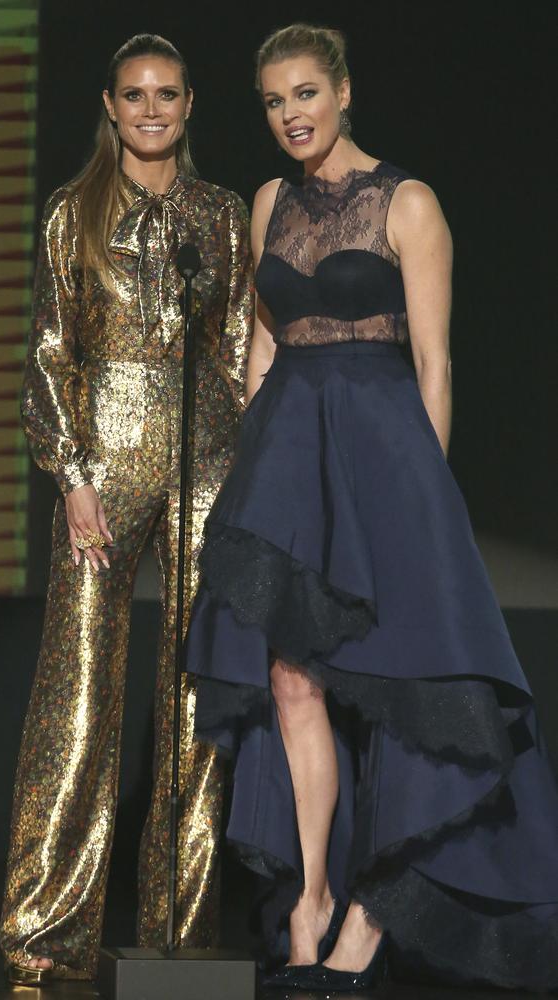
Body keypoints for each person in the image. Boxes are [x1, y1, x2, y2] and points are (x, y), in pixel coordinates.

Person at [185, 22, 558, 993]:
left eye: (304, 93)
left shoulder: (408, 201)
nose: (289, 116)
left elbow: (433, 363)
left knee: (399, 687)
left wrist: (426, 504)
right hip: (288, 447)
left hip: (384, 452)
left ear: (342, 92)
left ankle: (368, 917)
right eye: (272, 102)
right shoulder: (267, 201)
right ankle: (310, 896)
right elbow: (262, 353)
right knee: (291, 680)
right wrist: (244, 481)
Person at [0, 33, 253, 986]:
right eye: (135, 96)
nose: (152, 110)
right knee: (80, 695)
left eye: (169, 95)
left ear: (191, 105)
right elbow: (46, 353)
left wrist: (254, 476)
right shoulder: (74, 211)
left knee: (198, 694)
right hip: (101, 461)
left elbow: (237, 349)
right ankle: (45, 934)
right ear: (110, 105)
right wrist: (71, 476)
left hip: (209, 458)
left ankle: (181, 938)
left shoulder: (223, 214)